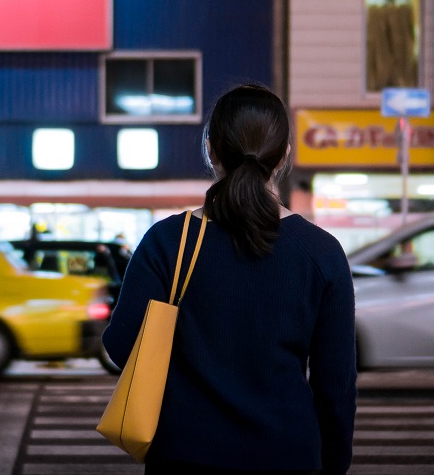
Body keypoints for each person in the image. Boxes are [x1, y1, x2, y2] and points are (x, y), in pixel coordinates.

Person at [102, 84, 357, 475]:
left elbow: (121, 346)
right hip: (287, 457)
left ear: (211, 150)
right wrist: (334, 466)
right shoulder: (322, 253)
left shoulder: (169, 242)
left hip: (183, 457)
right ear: (284, 155)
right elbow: (335, 388)